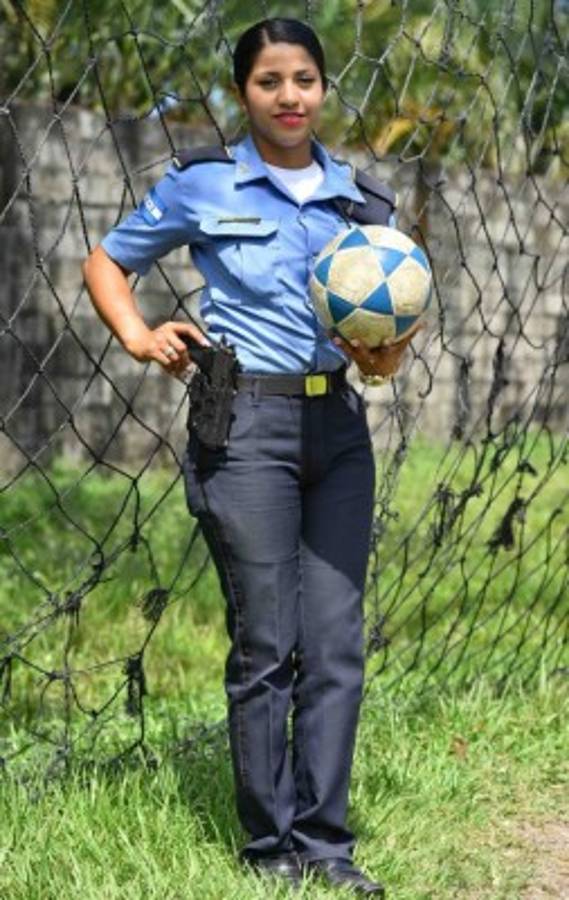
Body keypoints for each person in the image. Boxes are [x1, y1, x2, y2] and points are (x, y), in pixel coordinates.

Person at [82, 17, 420, 897]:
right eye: (270, 81)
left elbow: (385, 349)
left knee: (337, 641)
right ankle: (269, 846)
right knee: (266, 640)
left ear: (322, 87)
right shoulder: (204, 184)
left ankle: (326, 844)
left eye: (304, 79)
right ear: (244, 94)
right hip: (244, 430)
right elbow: (107, 262)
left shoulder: (363, 202)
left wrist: (384, 358)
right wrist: (137, 332)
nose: (289, 97)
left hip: (336, 432)